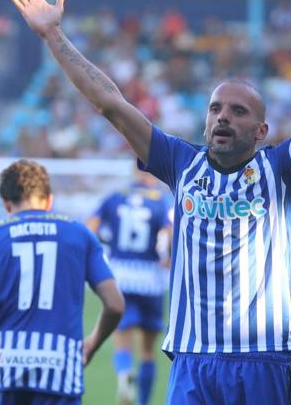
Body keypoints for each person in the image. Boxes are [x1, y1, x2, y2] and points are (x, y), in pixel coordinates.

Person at [10, 0, 291, 404]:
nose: (223, 117)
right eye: (216, 109)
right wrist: (53, 34)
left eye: (238, 111)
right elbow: (110, 103)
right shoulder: (179, 163)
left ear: (261, 130)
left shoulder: (283, 170)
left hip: (261, 360)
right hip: (192, 360)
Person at [0, 159, 125, 405]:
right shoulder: (79, 234)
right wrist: (92, 344)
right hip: (60, 371)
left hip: (3, 368)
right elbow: (115, 304)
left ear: (5, 203)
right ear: (49, 200)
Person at [86, 171, 172, 405]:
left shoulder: (115, 197)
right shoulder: (160, 200)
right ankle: (143, 401)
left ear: (134, 172)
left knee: (122, 337)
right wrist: (166, 256)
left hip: (120, 277)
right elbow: (168, 233)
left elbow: (89, 229)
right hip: (151, 280)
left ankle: (124, 375)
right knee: (147, 348)